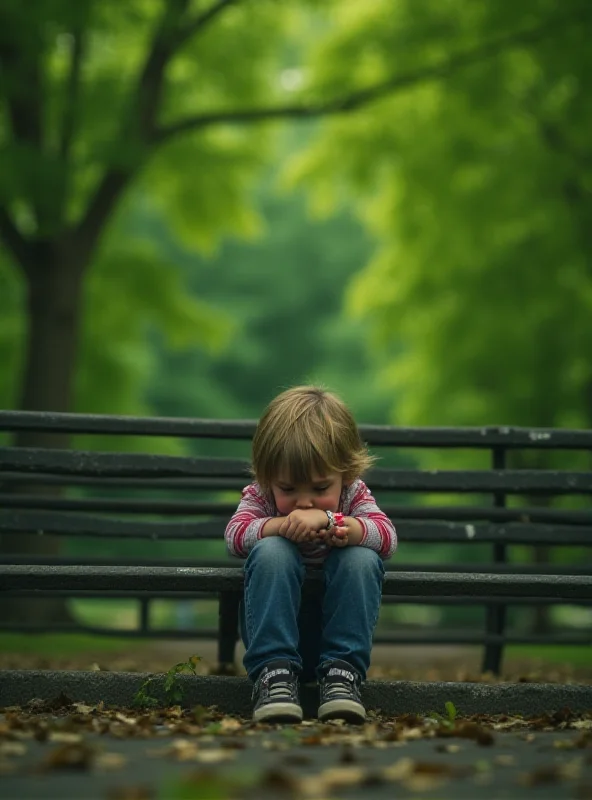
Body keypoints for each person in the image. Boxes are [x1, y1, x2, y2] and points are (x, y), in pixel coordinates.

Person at [224, 386, 397, 724]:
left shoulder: (353, 496)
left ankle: (342, 677)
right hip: (272, 630)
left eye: (320, 489)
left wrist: (336, 523)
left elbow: (387, 537)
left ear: (344, 475)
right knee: (272, 550)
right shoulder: (261, 497)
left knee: (361, 556)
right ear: (268, 477)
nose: (305, 503)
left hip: (333, 635)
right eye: (288, 489)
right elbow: (235, 536)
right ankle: (273, 677)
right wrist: (279, 526)